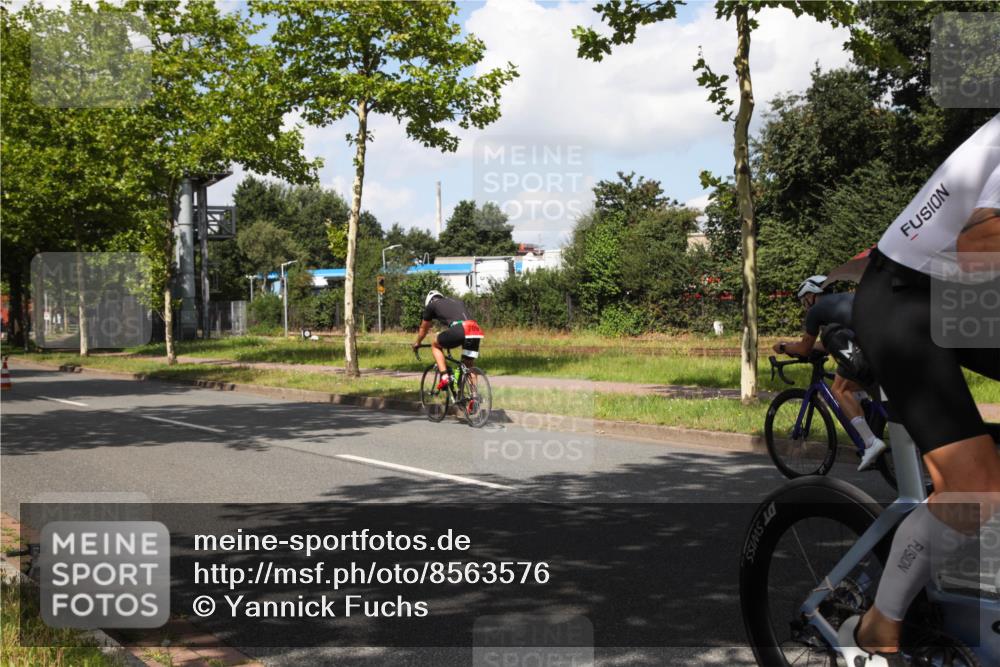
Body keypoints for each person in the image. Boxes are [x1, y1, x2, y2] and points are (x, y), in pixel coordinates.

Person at [837, 113, 1000, 665]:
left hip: (963, 301)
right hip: (905, 299)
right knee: (974, 484)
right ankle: (875, 628)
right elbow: (980, 244)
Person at [773, 275, 888, 471]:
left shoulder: (817, 311)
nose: (805, 305)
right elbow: (829, 345)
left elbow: (805, 348)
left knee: (839, 389)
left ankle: (870, 442)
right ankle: (870, 415)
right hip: (886, 339)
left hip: (872, 346)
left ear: (811, 295)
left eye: (804, 300)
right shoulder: (841, 302)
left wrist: (784, 347)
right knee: (855, 382)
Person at [412, 290, 484, 390]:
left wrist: (417, 343)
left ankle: (445, 376)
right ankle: (475, 397)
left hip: (460, 328)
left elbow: (423, 329)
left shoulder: (432, 305)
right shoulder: (456, 301)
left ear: (429, 302)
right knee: (468, 366)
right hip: (475, 329)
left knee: (435, 344)